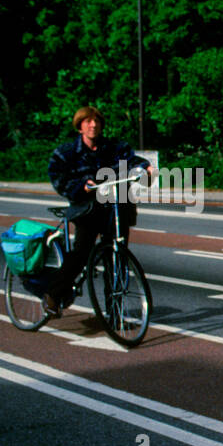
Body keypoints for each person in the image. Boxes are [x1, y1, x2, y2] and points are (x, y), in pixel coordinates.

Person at [43, 106, 154, 317]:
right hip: (88, 210)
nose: (93, 125)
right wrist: (81, 187)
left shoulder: (113, 147)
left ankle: (115, 314)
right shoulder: (66, 153)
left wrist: (145, 167)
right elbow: (58, 178)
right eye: (87, 122)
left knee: (117, 260)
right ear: (80, 126)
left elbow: (131, 159)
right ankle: (53, 294)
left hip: (116, 210)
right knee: (82, 252)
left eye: (96, 121)